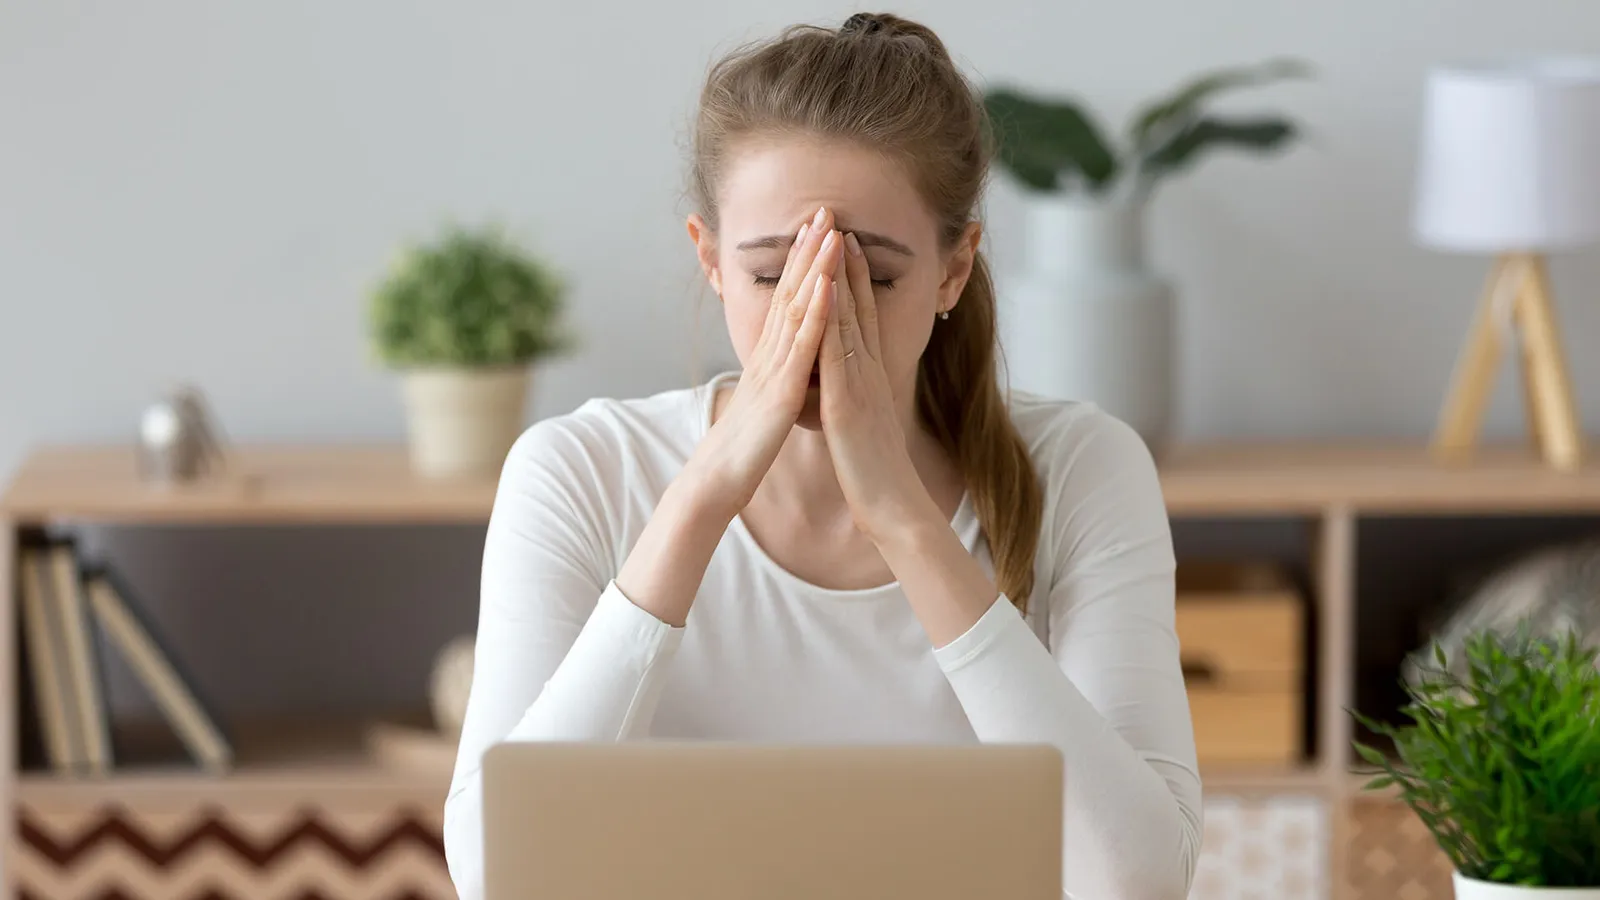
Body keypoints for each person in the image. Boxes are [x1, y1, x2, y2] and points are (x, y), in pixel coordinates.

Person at [444, 12, 1201, 900]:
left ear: (955, 269)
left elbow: (1136, 880)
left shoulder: (1082, 468)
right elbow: (499, 873)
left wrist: (903, 519)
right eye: (773, 275)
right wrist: (703, 498)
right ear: (712, 260)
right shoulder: (580, 471)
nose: (821, 316)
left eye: (874, 278)